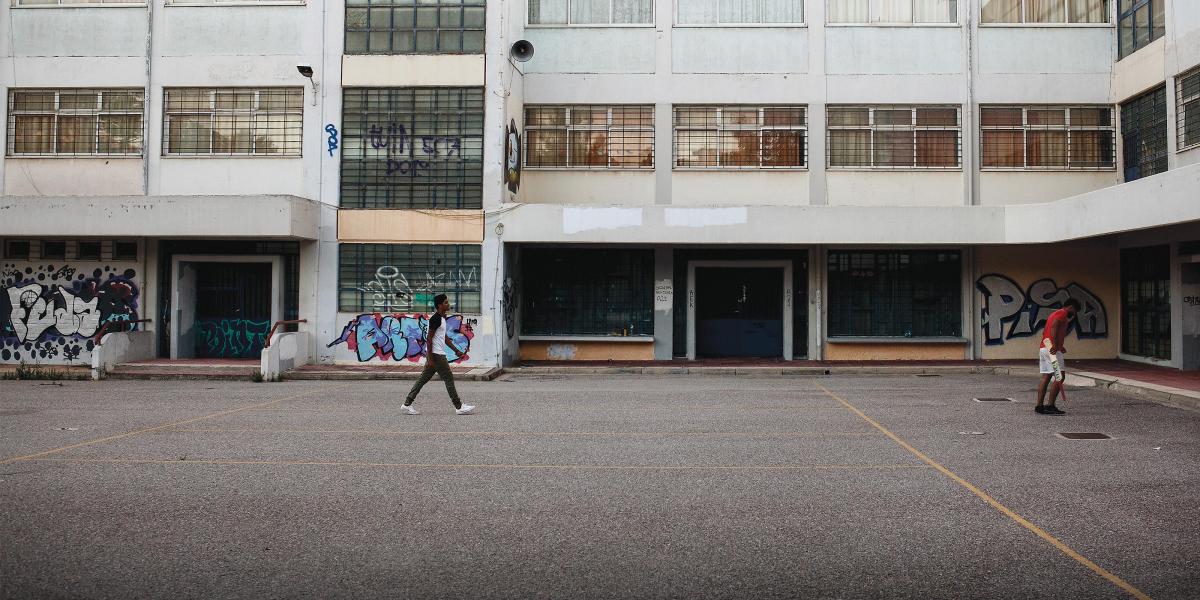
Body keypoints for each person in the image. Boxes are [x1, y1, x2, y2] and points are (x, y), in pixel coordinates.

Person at [400, 294, 475, 416]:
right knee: (448, 378)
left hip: (435, 354)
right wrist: (430, 357)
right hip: (436, 354)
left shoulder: (442, 319)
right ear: (440, 305)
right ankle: (459, 406)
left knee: (423, 379)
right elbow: (429, 339)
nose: (448, 304)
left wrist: (456, 350)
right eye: (445, 302)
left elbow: (444, 337)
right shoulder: (436, 319)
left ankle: (407, 404)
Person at [1036, 298, 1081, 416]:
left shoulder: (1053, 313)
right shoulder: (1062, 313)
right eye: (1075, 311)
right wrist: (1056, 345)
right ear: (1070, 307)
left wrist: (1060, 345)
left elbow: (1045, 331)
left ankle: (1039, 406)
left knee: (1046, 376)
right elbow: (1054, 327)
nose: (1074, 314)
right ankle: (1050, 405)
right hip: (1052, 349)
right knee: (1060, 376)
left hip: (1045, 346)